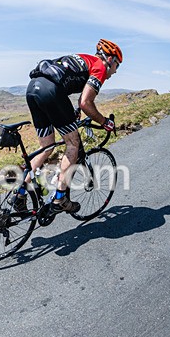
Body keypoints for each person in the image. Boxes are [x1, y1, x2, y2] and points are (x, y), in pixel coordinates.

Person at [17, 39, 122, 213]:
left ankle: (20, 194)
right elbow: (86, 103)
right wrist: (105, 122)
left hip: (33, 88)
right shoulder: (100, 67)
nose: (116, 71)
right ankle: (60, 198)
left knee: (46, 147)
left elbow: (69, 82)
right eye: (117, 66)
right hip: (51, 92)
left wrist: (72, 112)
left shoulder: (85, 58)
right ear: (110, 60)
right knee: (73, 144)